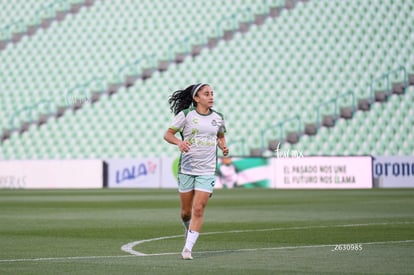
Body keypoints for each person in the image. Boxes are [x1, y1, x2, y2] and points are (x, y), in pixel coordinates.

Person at [164, 83, 229, 260]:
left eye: (212, 94)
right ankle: (188, 228)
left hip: (207, 170)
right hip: (187, 169)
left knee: (198, 208)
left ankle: (188, 248)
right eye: (206, 94)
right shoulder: (186, 115)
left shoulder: (218, 117)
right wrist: (180, 143)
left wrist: (223, 146)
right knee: (186, 212)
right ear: (196, 98)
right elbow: (168, 135)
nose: (211, 97)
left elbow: (221, 135)